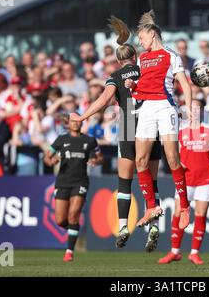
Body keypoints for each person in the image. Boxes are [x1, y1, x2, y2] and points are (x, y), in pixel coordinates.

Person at [71, 16, 164, 251]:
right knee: (150, 182)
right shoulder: (146, 70)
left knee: (125, 181)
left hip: (128, 126)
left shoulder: (114, 77)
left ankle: (123, 226)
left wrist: (82, 117)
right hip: (151, 125)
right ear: (135, 57)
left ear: (118, 61)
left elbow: (103, 100)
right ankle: (153, 225)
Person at [125, 10, 193, 230]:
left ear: (152, 34)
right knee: (140, 161)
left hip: (165, 107)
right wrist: (132, 86)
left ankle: (184, 206)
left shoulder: (170, 55)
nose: (140, 42)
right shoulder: (143, 58)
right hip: (145, 108)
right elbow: (143, 83)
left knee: (172, 158)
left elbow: (184, 82)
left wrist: (189, 107)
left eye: (142, 38)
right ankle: (152, 207)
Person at [158, 98, 209, 265]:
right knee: (179, 213)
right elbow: (169, 149)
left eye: (197, 109)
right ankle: (174, 251)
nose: (194, 112)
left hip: (205, 179)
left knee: (200, 215)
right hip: (186, 179)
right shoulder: (180, 130)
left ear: (201, 111)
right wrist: (177, 161)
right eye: (191, 109)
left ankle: (194, 253)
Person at [44, 115, 103, 262]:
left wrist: (95, 161)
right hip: (63, 182)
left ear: (82, 122)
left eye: (78, 120)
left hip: (80, 182)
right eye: (73, 121)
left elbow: (100, 157)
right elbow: (47, 157)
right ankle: (74, 230)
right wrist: (51, 161)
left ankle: (69, 252)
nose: (76, 123)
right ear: (68, 124)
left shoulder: (89, 140)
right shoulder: (61, 140)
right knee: (60, 220)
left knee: (73, 214)